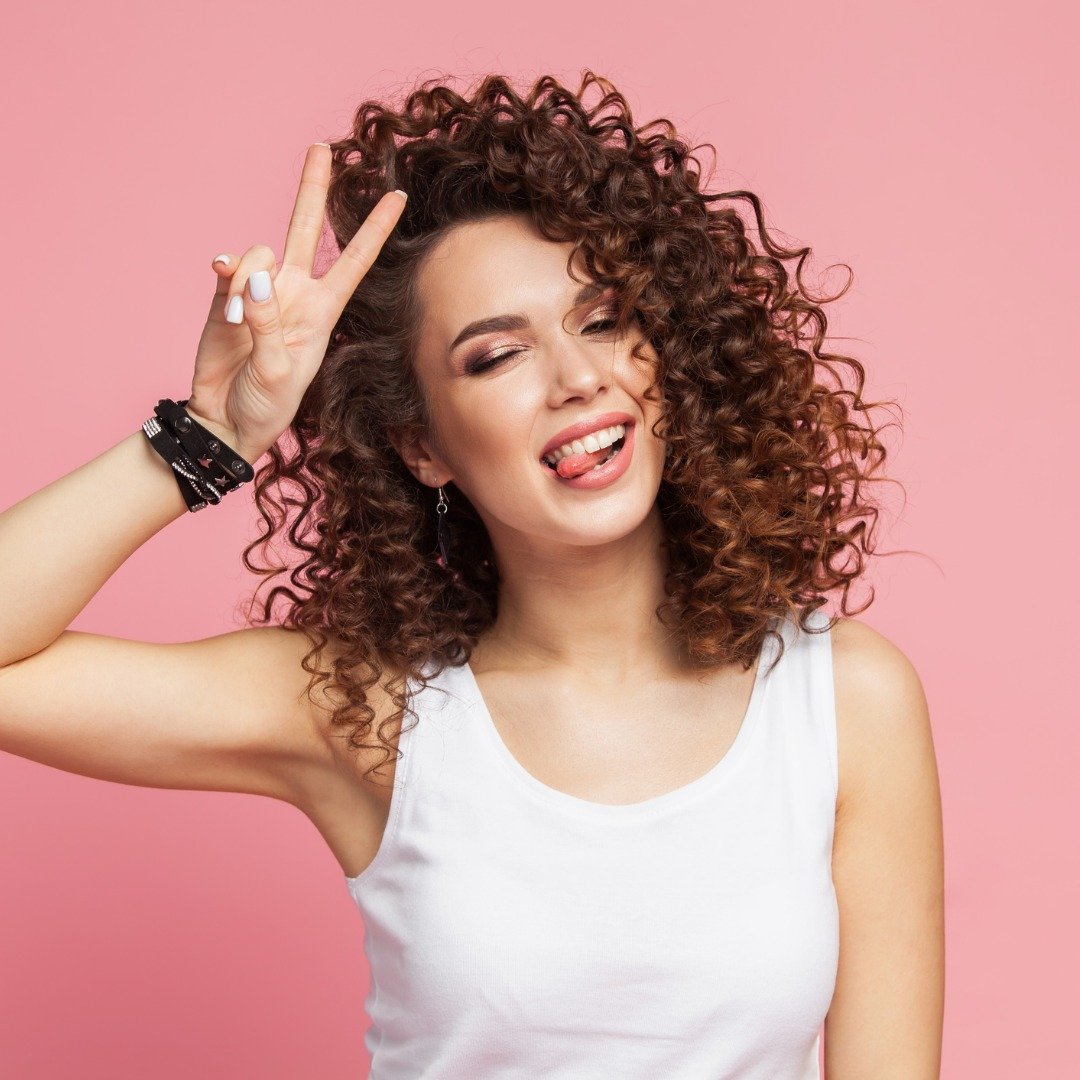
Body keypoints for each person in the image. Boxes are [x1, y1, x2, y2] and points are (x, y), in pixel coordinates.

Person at [0, 71, 944, 1078]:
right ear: (422, 446)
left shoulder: (843, 701)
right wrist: (209, 436)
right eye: (496, 357)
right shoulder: (368, 710)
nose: (579, 379)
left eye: (602, 318)